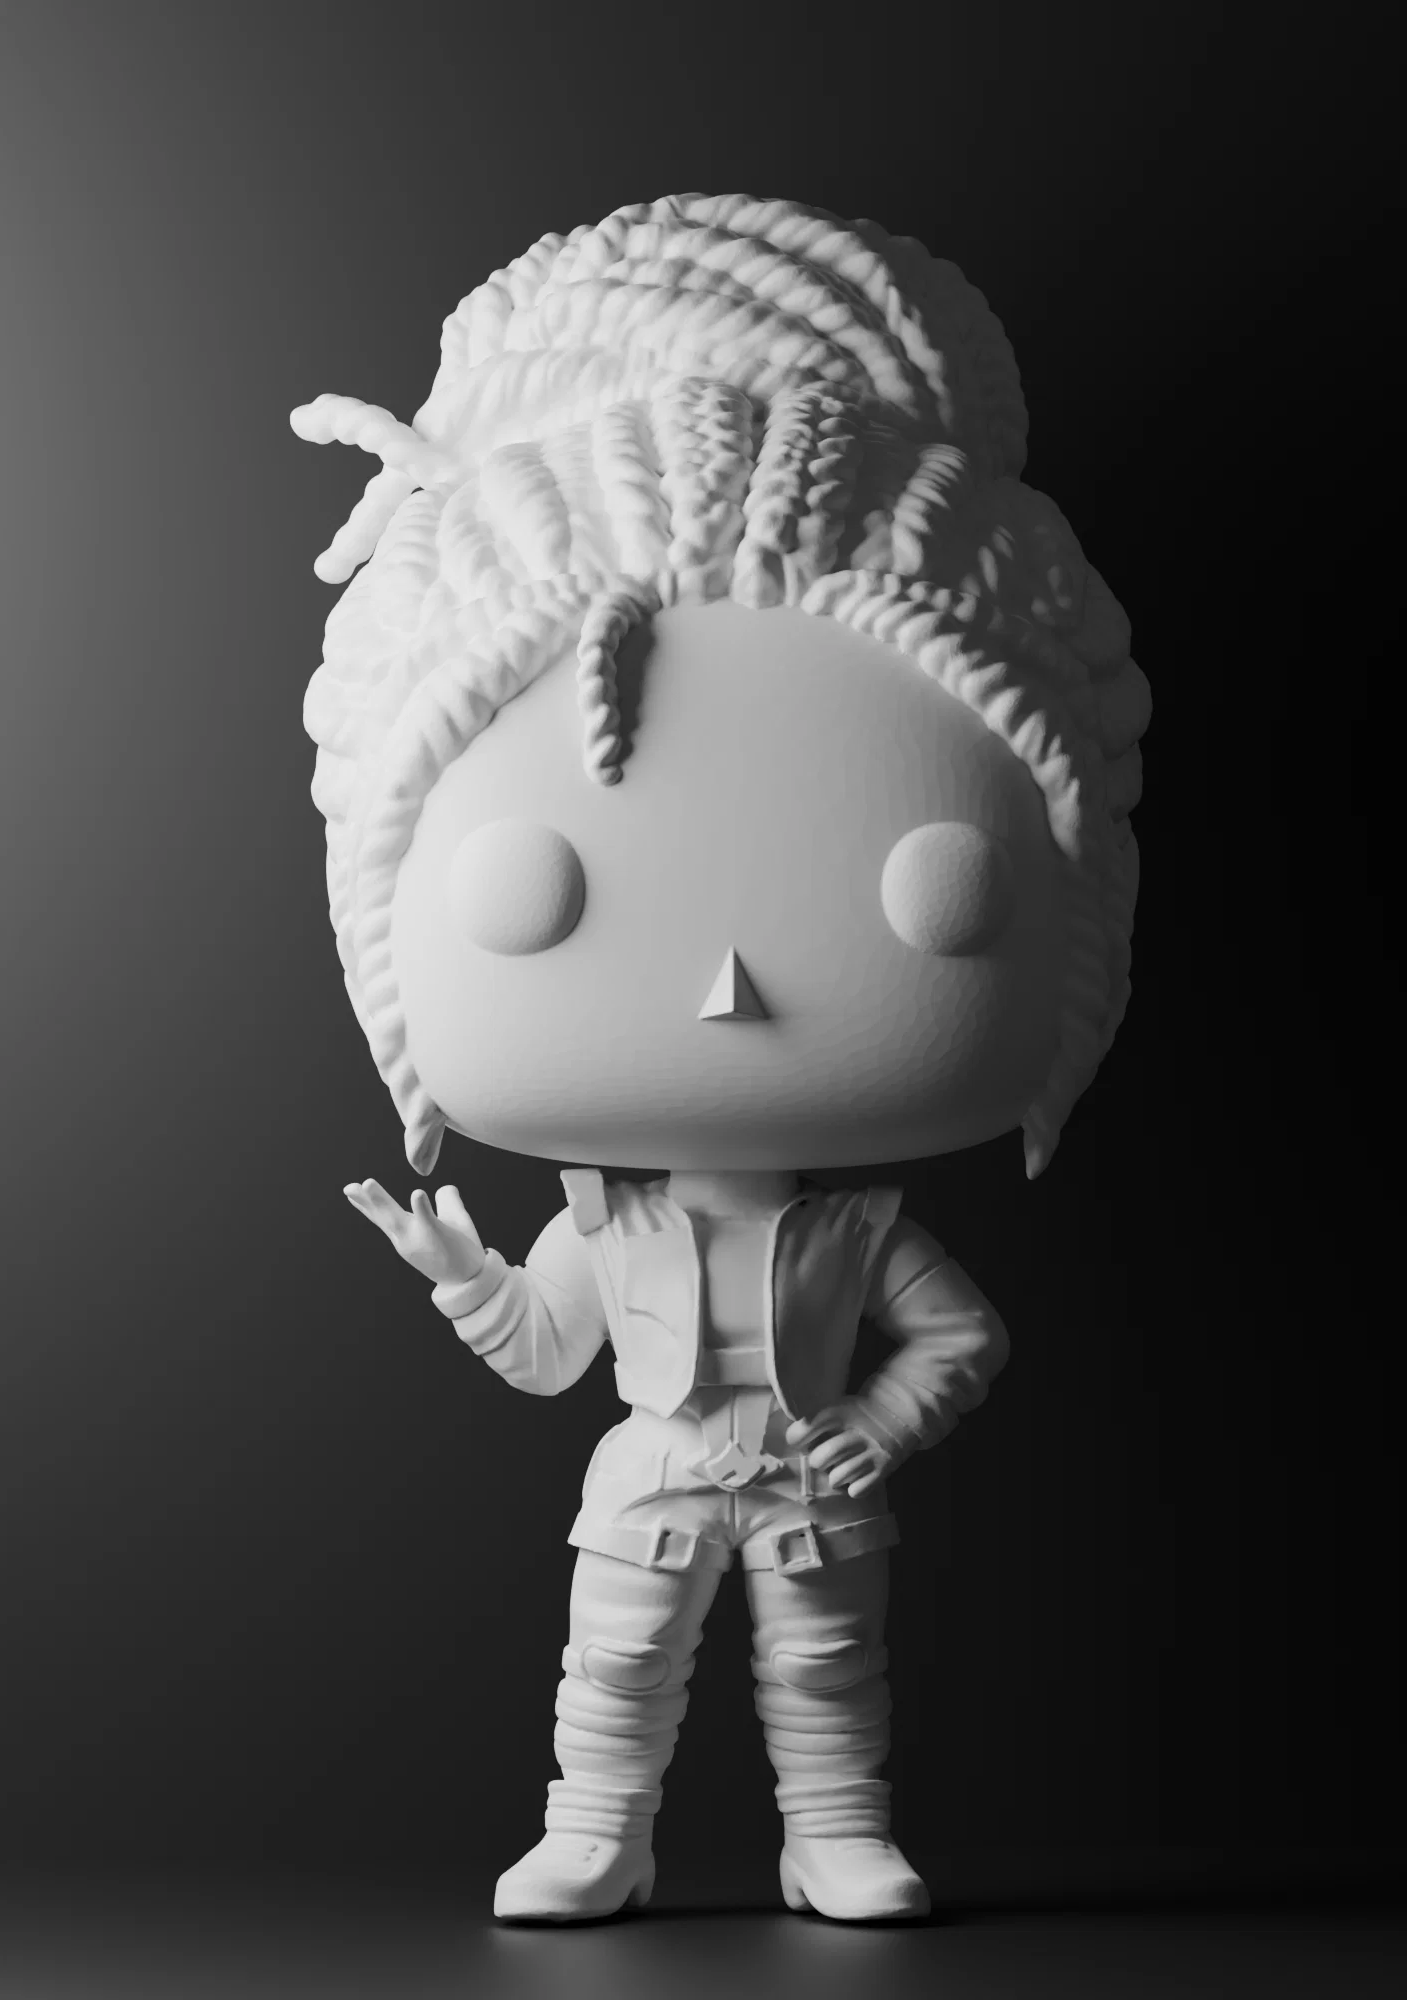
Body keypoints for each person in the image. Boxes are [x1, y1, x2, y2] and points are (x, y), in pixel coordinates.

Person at [290, 192, 1150, 1922]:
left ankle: (838, 1835)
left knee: (827, 1676)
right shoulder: (600, 1223)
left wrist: (882, 1424)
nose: (730, 988)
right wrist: (463, 1273)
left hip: (816, 1488)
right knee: (614, 1665)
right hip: (648, 1482)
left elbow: (964, 1337)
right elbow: (549, 1356)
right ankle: (595, 1834)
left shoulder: (858, 1233)